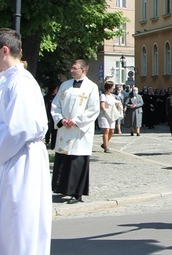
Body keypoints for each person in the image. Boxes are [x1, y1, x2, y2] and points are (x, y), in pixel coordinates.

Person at [0, 28, 52, 255]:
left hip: (19, 160)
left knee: (17, 222)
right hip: (7, 157)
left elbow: (18, 129)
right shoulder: (5, 80)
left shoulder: (21, 83)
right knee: (5, 222)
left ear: (4, 50)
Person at [51, 59, 100, 204]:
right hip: (65, 128)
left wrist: (77, 121)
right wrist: (61, 119)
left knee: (77, 160)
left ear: (83, 70)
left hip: (79, 131)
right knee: (64, 158)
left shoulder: (91, 87)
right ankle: (63, 189)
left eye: (74, 68)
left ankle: (77, 193)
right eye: (71, 68)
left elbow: (93, 109)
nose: (71, 70)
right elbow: (55, 105)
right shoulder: (65, 85)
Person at [99, 80, 122, 152]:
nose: (114, 88)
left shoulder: (111, 96)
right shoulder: (103, 96)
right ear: (109, 88)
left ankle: (104, 143)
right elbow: (102, 106)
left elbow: (114, 103)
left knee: (112, 131)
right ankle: (106, 147)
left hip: (111, 115)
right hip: (105, 115)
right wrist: (106, 112)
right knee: (106, 130)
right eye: (112, 87)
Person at [44, 84, 59, 149]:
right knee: (48, 130)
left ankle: (53, 144)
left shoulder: (57, 97)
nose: (56, 90)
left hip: (54, 116)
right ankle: (47, 142)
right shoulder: (46, 97)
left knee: (54, 131)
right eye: (56, 89)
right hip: (48, 115)